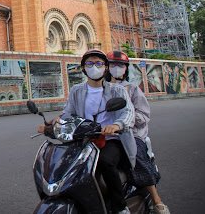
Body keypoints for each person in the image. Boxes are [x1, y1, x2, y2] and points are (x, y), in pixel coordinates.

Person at [40, 49, 136, 214]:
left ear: (105, 67)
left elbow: (128, 113)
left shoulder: (117, 90)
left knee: (105, 162)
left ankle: (120, 207)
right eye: (89, 63)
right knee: (65, 164)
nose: (94, 67)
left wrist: (116, 125)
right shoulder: (76, 90)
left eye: (98, 63)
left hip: (110, 139)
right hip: (83, 140)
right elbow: (68, 113)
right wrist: (53, 124)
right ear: (83, 68)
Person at [106, 51, 170, 214]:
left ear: (125, 69)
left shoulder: (132, 89)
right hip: (105, 135)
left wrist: (125, 120)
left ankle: (156, 200)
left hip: (131, 134)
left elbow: (143, 115)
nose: (116, 68)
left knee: (136, 157)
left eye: (120, 65)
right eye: (112, 64)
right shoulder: (100, 89)